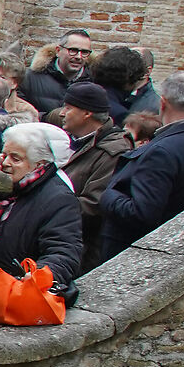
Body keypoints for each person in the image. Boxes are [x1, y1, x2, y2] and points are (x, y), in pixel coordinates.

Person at [0, 122, 83, 322]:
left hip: (9, 301)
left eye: (16, 158)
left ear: (39, 164)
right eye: (4, 154)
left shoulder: (58, 199)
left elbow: (64, 251)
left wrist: (37, 277)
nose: (4, 162)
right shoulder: (0, 187)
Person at [101, 71, 184, 255]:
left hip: (139, 254)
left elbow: (141, 214)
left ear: (163, 103)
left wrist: (109, 196)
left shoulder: (162, 151)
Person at [55, 81, 133, 266]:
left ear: (87, 113)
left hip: (81, 250)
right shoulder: (72, 139)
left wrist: (44, 210)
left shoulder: (113, 151)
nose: (61, 113)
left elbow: (94, 205)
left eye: (68, 108)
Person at [20, 30, 95, 116]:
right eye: (73, 50)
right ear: (58, 51)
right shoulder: (29, 78)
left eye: (84, 52)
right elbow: (17, 112)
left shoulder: (95, 82)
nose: (78, 56)